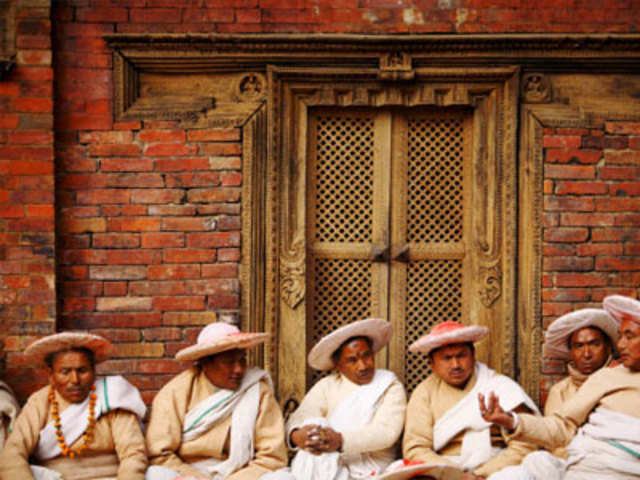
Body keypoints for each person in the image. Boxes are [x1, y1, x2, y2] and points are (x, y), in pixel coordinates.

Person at [479, 294, 640, 479]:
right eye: (620, 336)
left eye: (630, 337)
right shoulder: (605, 377)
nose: (622, 344)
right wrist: (511, 420)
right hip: (586, 467)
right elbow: (561, 427)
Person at [145, 322, 293, 480]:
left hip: (243, 474)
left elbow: (272, 458)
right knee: (156, 473)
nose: (238, 369)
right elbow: (159, 455)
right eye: (229, 362)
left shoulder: (258, 391)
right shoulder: (176, 392)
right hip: (190, 474)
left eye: (242, 360)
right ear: (205, 364)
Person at [0, 331, 148, 480]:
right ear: (51, 376)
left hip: (109, 477)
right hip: (54, 477)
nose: (75, 380)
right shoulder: (40, 402)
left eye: (82, 371)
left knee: (158, 473)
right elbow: (13, 452)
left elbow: (133, 454)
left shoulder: (112, 396)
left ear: (94, 372)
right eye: (65, 372)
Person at [403, 321, 539, 480]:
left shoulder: (501, 386)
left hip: (495, 468)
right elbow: (416, 449)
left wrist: (481, 474)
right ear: (432, 364)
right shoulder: (424, 393)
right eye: (447, 358)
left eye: (461, 355)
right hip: (445, 470)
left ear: (473, 356)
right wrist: (457, 475)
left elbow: (525, 444)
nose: (455, 365)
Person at [286, 318, 406, 480]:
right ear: (338, 364)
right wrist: (298, 435)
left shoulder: (389, 385)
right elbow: (302, 416)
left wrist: (340, 441)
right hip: (327, 463)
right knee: (315, 427)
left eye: (367, 356)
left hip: (373, 467)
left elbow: (386, 433)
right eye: (352, 360)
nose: (363, 365)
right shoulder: (327, 385)